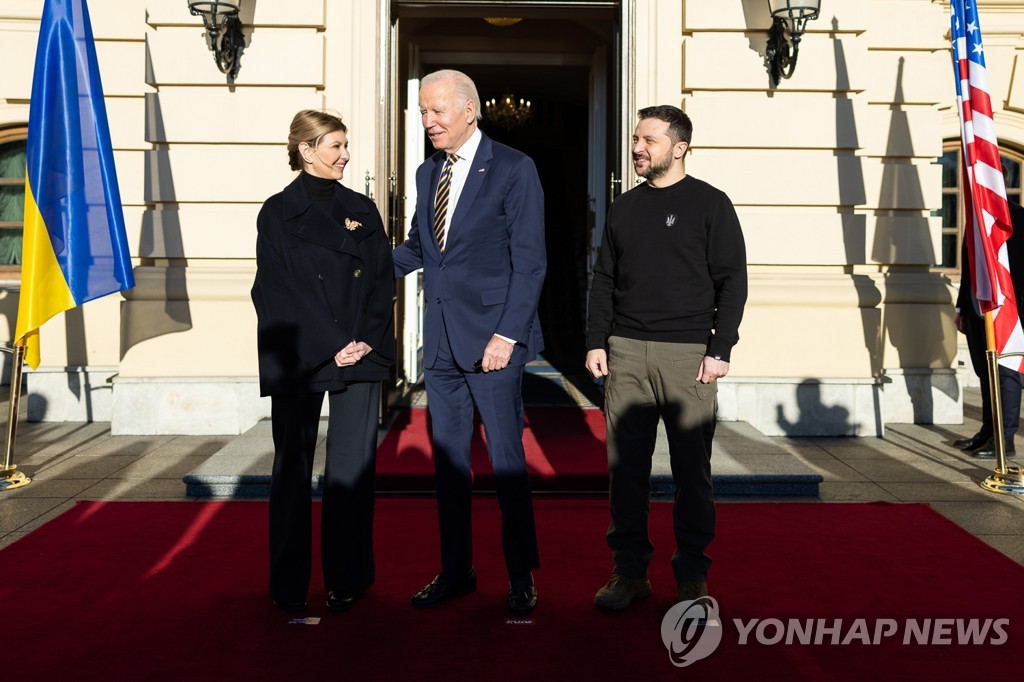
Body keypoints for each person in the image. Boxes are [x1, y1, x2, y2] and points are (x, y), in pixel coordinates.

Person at [393, 69, 546, 614]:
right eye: (423, 111)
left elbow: (530, 263)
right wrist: (355, 265)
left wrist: (507, 335)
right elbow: (419, 248)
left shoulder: (513, 167)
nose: (427, 121)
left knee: (505, 463)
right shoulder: (425, 172)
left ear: (468, 111)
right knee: (450, 467)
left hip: (493, 345)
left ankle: (521, 577)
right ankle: (457, 570)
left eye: (436, 111)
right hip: (439, 346)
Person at [585, 105, 747, 610]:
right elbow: (605, 278)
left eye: (649, 140)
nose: (638, 147)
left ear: (679, 147)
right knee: (626, 472)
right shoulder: (623, 207)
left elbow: (733, 280)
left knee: (691, 473)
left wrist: (720, 349)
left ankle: (692, 576)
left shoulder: (710, 204)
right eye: (637, 138)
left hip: (688, 357)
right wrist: (596, 340)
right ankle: (629, 572)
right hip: (627, 354)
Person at [251, 110, 394, 613]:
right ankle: (288, 584)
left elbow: (381, 281)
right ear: (307, 150)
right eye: (335, 146)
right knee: (292, 469)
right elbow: (276, 289)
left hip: (361, 351)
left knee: (352, 471)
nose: (346, 155)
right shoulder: (276, 212)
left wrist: (363, 340)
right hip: (303, 352)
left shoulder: (362, 207)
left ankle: (348, 579)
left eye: (346, 144)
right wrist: (331, 342)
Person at [953, 200, 1024, 459]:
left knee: (1006, 374)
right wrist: (961, 308)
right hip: (976, 310)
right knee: (986, 372)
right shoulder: (976, 218)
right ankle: (988, 432)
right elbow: (968, 270)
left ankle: (1004, 441)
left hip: (1009, 311)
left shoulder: (1018, 217)